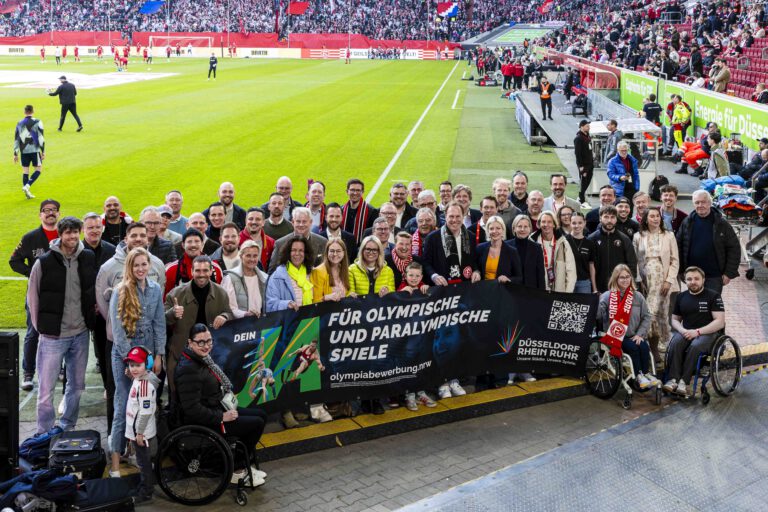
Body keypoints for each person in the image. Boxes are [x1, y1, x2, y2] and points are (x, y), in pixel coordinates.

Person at [27, 216, 96, 434]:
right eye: (68, 232)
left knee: (76, 387)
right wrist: (41, 328)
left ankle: (67, 426)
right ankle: (44, 432)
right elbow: (33, 297)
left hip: (80, 334)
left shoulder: (87, 257)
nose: (73, 236)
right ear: (60, 234)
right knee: (46, 391)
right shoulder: (44, 262)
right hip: (53, 337)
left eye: (76, 232)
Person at [175, 324, 267, 485]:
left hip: (217, 406)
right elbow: (191, 409)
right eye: (201, 342)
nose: (206, 346)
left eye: (209, 341)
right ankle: (237, 469)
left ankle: (243, 462)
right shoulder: (188, 369)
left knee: (261, 415)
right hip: (207, 419)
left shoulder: (202, 359)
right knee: (256, 423)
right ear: (190, 343)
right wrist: (222, 416)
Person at [108, 248, 165, 478]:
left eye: (144, 264)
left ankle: (140, 456)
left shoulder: (155, 289)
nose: (141, 269)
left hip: (148, 354)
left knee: (145, 405)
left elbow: (159, 324)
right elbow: (118, 332)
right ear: (129, 267)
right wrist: (131, 363)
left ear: (149, 265)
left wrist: (158, 355)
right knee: (122, 407)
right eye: (136, 265)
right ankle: (114, 463)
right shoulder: (120, 291)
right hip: (125, 356)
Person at [11, 199, 60, 391]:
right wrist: (32, 274)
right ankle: (28, 373)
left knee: (61, 331)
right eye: (46, 210)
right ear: (40, 214)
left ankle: (61, 369)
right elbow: (14, 261)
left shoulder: (65, 234)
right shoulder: (30, 237)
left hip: (61, 292)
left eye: (54, 210)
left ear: (59, 214)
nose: (50, 213)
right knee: (33, 332)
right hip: (36, 292)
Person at [164, 255, 232, 393]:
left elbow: (229, 313)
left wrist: (224, 316)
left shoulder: (221, 293)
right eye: (198, 271)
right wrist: (173, 313)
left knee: (210, 393)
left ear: (211, 271)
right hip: (181, 352)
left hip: (211, 353)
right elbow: (162, 319)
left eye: (205, 271)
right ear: (192, 272)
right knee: (179, 393)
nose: (202, 274)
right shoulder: (175, 294)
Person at [664, 267, 725, 396]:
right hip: (687, 331)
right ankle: (673, 379)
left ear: (703, 280)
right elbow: (674, 319)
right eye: (689, 279)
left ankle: (684, 382)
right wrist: (681, 330)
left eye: (696, 279)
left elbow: (719, 322)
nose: (693, 282)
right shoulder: (681, 297)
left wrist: (697, 332)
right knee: (675, 342)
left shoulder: (713, 296)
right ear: (685, 281)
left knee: (695, 346)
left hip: (708, 333)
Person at [597, 265, 658, 389]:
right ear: (615, 279)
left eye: (628, 277)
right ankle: (639, 375)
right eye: (621, 277)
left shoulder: (638, 296)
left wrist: (640, 334)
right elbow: (598, 316)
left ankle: (646, 373)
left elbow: (646, 317)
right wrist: (598, 303)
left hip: (633, 334)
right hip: (616, 336)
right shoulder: (607, 296)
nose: (625, 280)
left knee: (644, 347)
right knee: (633, 348)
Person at [634, 208, 679, 363]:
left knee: (660, 312)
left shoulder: (669, 235)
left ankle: (657, 345)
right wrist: (639, 281)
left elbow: (675, 260)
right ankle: (648, 347)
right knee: (648, 311)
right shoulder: (638, 236)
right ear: (646, 219)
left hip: (663, 280)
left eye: (657, 216)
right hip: (646, 281)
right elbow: (635, 261)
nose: (655, 219)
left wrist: (669, 280)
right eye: (651, 216)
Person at [676, 190, 740, 295]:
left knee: (712, 308)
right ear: (693, 204)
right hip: (693, 276)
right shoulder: (687, 222)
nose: (700, 205)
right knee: (694, 307)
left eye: (703, 202)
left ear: (710, 203)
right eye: (697, 202)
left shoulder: (721, 224)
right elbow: (678, 246)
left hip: (714, 276)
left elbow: (734, 248)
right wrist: (681, 270)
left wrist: (729, 273)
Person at [81, 212, 116, 390]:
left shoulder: (111, 250)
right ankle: (67, 392)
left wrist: (101, 305)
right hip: (80, 311)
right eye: (90, 228)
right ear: (83, 230)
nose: (94, 231)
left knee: (105, 352)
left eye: (97, 227)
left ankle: (107, 386)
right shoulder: (76, 251)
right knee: (75, 354)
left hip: (104, 311)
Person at [120, 346, 158, 501]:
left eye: (138, 365)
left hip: (142, 434)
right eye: (131, 365)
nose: (134, 369)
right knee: (144, 463)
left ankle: (146, 491)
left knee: (144, 464)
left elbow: (145, 411)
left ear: (147, 365)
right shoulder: (140, 379)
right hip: (138, 432)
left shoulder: (144, 386)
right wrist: (132, 376)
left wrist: (140, 433)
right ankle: (147, 485)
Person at [588, 205, 637, 293]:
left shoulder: (624, 239)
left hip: (619, 288)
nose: (609, 221)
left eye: (612, 217)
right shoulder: (591, 239)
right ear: (600, 218)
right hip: (598, 288)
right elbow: (588, 265)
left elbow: (632, 264)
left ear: (616, 219)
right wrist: (593, 288)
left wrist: (628, 286)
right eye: (606, 217)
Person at [165, 229, 224, 297]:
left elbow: (220, 296)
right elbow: (166, 300)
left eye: (197, 241)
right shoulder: (172, 269)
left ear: (202, 244)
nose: (193, 245)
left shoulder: (215, 268)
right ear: (183, 245)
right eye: (189, 242)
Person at [269, 207, 327, 273]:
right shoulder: (280, 244)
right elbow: (272, 272)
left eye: (304, 221)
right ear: (293, 222)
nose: (301, 225)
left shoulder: (323, 242)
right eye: (298, 221)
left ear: (310, 222)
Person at [265, 236, 315, 313]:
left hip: (310, 321)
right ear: (288, 252)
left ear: (306, 253)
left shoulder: (312, 273)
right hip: (288, 322)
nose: (297, 254)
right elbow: (270, 305)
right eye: (293, 250)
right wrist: (286, 304)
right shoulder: (277, 276)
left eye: (301, 250)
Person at [530, 211, 576, 293]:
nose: (546, 225)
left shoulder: (563, 243)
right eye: (543, 222)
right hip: (537, 290)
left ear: (554, 224)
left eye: (549, 222)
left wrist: (568, 293)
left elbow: (571, 271)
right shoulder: (531, 241)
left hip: (558, 291)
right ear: (539, 224)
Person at [221, 241, 268, 319]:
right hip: (239, 326)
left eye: (255, 256)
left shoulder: (264, 278)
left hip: (261, 325)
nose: (252, 259)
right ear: (241, 256)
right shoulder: (230, 278)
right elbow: (228, 307)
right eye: (248, 255)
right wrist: (245, 314)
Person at [475, 215, 522, 285]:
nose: (494, 231)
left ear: (503, 230)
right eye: (491, 228)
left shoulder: (512, 251)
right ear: (487, 231)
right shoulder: (480, 248)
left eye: (498, 228)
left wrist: (508, 279)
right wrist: (476, 272)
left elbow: (519, 278)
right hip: (483, 290)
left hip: (502, 291)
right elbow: (476, 267)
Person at [14, 105, 45, 199]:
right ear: (33, 111)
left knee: (25, 171)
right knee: (38, 169)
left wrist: (15, 153)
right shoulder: (38, 121)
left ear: (24, 112)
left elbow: (16, 139)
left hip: (23, 150)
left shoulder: (19, 123)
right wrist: (43, 151)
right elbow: (40, 136)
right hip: (34, 150)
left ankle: (27, 194)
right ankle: (27, 185)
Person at [508, 215, 545, 289]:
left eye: (525, 227)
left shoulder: (537, 248)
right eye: (519, 226)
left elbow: (540, 275)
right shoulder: (506, 246)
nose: (522, 229)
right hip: (511, 290)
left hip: (531, 292)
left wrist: (542, 295)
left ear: (530, 229)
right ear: (514, 228)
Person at [566, 212, 597, 294]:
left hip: (584, 283)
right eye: (574, 223)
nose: (577, 226)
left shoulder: (589, 243)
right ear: (570, 223)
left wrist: (594, 288)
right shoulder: (564, 240)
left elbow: (591, 266)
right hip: (567, 281)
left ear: (584, 223)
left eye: (580, 223)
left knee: (583, 305)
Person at [342, 179, 378, 244]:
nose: (355, 193)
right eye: (352, 190)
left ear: (362, 192)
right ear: (347, 191)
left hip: (362, 249)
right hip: (343, 247)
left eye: (358, 190)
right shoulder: (341, 210)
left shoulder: (371, 211)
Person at [574, 120, 594, 207]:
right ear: (581, 127)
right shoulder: (578, 138)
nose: (588, 127)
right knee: (583, 182)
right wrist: (580, 166)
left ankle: (581, 196)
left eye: (588, 126)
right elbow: (577, 154)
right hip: (584, 165)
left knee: (588, 181)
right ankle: (581, 199)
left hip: (590, 164)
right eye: (587, 126)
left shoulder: (587, 136)